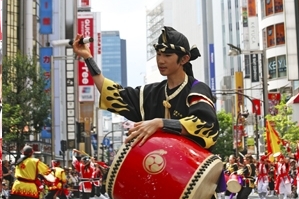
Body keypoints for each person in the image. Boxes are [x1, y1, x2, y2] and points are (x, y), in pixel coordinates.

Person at [72, 27, 218, 153]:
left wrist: (161, 123)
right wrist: (88, 57)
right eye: (159, 54)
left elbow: (205, 125)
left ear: (184, 59)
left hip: (192, 169)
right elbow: (112, 94)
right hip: (161, 169)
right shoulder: (151, 93)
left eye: (167, 55)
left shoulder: (197, 89)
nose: (161, 60)